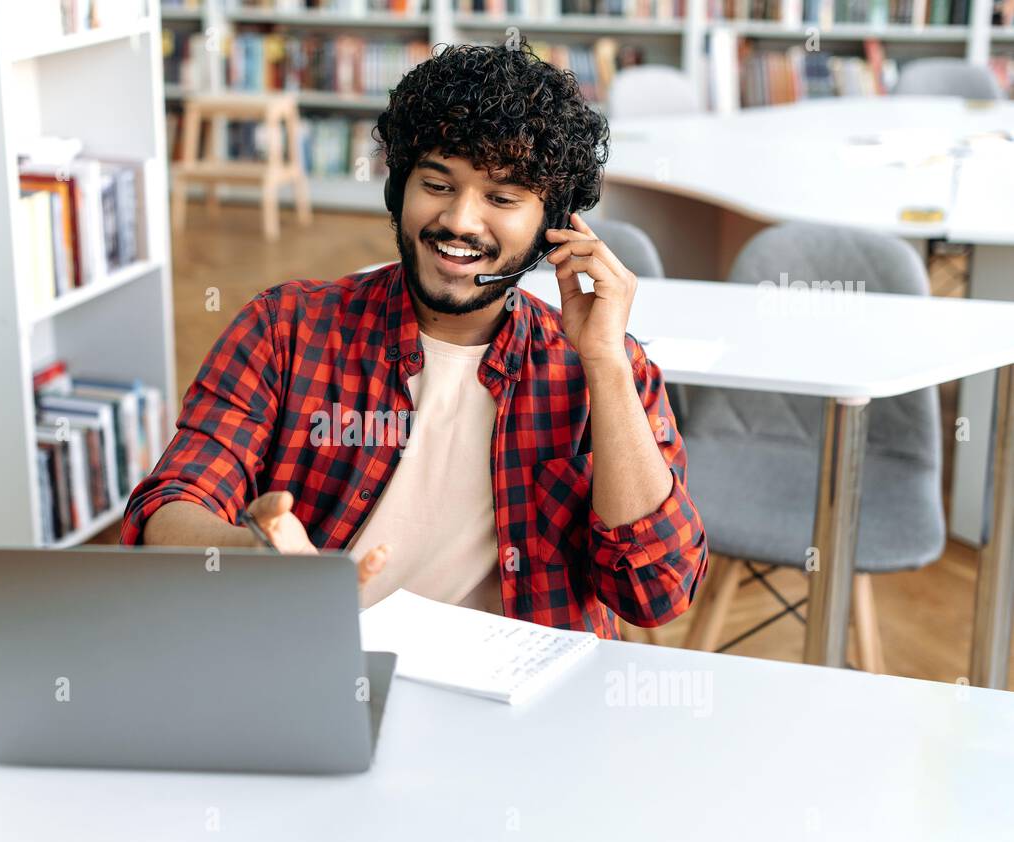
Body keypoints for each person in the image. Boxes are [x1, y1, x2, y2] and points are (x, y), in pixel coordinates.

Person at [122, 41, 708, 637]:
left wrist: (605, 363)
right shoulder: (286, 329)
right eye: (437, 183)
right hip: (327, 666)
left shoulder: (602, 366)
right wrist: (252, 556)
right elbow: (166, 513)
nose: (459, 221)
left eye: (502, 198)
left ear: (552, 227)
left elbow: (657, 590)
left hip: (517, 708)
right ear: (398, 189)